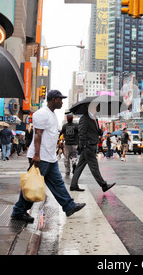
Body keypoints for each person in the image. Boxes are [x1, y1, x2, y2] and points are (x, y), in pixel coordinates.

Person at [11, 90, 86, 223]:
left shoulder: (52, 114)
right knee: (32, 184)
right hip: (41, 156)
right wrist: (36, 155)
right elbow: (38, 135)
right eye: (60, 99)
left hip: (50, 157)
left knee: (58, 183)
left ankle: (69, 206)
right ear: (53, 100)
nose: (62, 102)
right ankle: (18, 211)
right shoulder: (41, 114)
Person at [70, 108, 115, 193]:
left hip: (91, 145)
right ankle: (103, 185)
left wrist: (101, 131)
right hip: (88, 146)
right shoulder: (85, 118)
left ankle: (73, 185)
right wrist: (84, 145)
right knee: (94, 167)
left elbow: (96, 132)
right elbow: (81, 132)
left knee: (80, 166)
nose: (97, 108)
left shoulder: (95, 118)